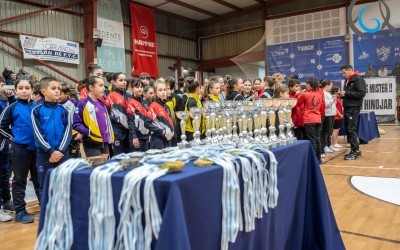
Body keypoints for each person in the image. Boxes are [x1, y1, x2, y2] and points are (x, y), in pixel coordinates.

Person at [0, 79, 40, 223]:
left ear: (32, 90)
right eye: (21, 88)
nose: (24, 91)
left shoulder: (37, 107)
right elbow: (2, 126)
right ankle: (20, 211)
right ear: (16, 90)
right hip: (20, 149)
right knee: (19, 181)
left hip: (37, 149)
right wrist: (14, 138)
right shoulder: (12, 107)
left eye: (27, 88)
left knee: (39, 180)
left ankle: (45, 207)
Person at [31, 77, 72, 199]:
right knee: (45, 184)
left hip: (63, 153)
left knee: (64, 183)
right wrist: (51, 151)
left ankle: (62, 213)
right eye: (53, 88)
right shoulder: (37, 110)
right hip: (44, 153)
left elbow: (68, 131)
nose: (57, 91)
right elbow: (38, 133)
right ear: (44, 91)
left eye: (59, 88)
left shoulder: (64, 110)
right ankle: (47, 214)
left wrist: (60, 150)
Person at [73, 76, 114, 158]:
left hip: (104, 140)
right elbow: (76, 123)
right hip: (91, 142)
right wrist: (88, 132)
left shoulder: (102, 104)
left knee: (103, 168)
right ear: (91, 87)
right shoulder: (82, 104)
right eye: (100, 86)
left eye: (103, 86)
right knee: (96, 166)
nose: (103, 88)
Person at [337, 64, 367, 160]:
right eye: (342, 73)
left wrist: (346, 93)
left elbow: (362, 93)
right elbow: (349, 95)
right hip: (347, 107)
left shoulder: (358, 79)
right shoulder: (347, 80)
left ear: (350, 70)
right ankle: (353, 150)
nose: (343, 74)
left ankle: (356, 151)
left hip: (353, 108)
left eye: (344, 72)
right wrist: (341, 95)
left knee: (351, 129)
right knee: (348, 129)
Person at [0, 77, 16, 221]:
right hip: (4, 141)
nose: (3, 87)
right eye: (1, 85)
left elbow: (13, 113)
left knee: (5, 174)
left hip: (4, 144)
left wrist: (11, 98)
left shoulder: (3, 102)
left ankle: (6, 202)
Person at [296, 77, 323, 164]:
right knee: (317, 139)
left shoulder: (305, 94)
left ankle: (314, 160)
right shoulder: (319, 94)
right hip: (318, 118)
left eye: (307, 85)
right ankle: (319, 159)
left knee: (312, 140)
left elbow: (297, 103)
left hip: (309, 119)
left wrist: (298, 94)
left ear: (310, 86)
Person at [105, 72, 130, 155]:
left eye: (125, 80)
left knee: (128, 156)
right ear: (114, 82)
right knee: (117, 156)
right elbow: (106, 114)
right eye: (121, 80)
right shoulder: (111, 96)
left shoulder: (129, 96)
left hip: (129, 131)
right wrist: (117, 119)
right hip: (117, 131)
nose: (124, 82)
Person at [145, 79, 174, 149]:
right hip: (158, 140)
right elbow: (147, 123)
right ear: (155, 93)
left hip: (167, 139)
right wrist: (162, 132)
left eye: (164, 90)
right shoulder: (153, 106)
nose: (163, 92)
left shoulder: (166, 106)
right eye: (160, 90)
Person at [127, 79, 152, 152]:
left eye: (141, 87)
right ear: (132, 88)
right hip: (137, 137)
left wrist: (150, 134)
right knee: (136, 160)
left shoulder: (146, 102)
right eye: (137, 87)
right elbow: (130, 121)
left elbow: (149, 120)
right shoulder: (131, 103)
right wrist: (134, 136)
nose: (140, 89)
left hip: (146, 136)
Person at [59, 83, 80, 158]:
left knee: (74, 157)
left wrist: (80, 132)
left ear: (67, 94)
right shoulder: (53, 104)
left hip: (72, 134)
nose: (58, 96)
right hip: (59, 136)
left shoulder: (73, 103)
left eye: (60, 94)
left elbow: (80, 118)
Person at [184, 78, 205, 142]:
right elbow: (194, 119)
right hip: (192, 131)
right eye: (199, 87)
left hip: (197, 130)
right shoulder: (192, 101)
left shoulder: (196, 99)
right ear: (197, 89)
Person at [320, 80, 337, 154]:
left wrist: (333, 101)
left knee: (329, 131)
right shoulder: (323, 93)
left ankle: (329, 144)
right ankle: (325, 146)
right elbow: (325, 105)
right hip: (327, 115)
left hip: (332, 114)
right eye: (331, 85)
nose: (331, 87)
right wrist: (332, 100)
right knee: (325, 132)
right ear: (327, 86)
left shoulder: (328, 93)